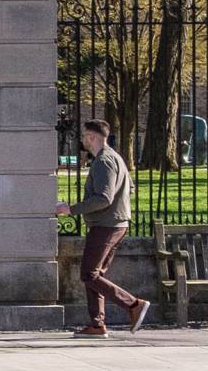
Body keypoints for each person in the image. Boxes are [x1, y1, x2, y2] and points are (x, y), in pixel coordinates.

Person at [58, 119, 150, 336]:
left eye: (83, 136)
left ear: (92, 137)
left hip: (106, 225)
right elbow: (131, 188)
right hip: (116, 222)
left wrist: (70, 209)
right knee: (95, 275)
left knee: (89, 274)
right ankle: (97, 325)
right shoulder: (116, 158)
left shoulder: (103, 161)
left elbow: (104, 198)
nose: (82, 140)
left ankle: (133, 305)